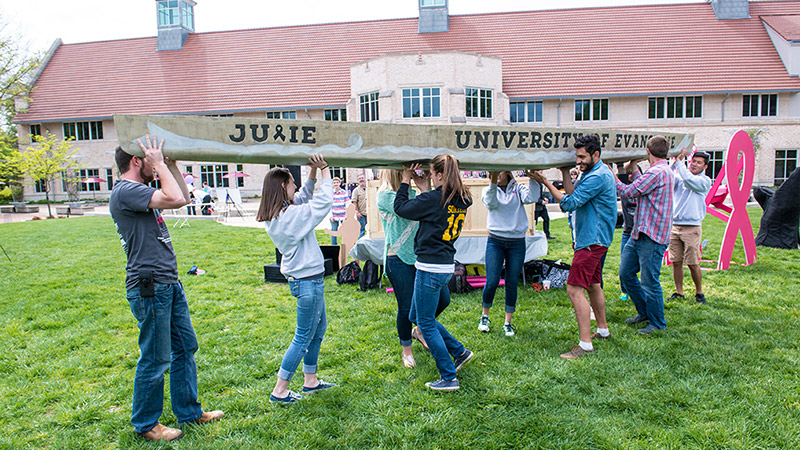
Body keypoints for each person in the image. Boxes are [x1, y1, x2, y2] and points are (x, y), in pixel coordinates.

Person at [109, 136, 223, 442]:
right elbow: (174, 199)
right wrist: (159, 163)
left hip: (168, 283)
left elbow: (183, 196)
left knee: (185, 347)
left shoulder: (139, 191)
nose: (154, 160)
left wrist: (168, 164)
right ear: (136, 160)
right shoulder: (126, 191)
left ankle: (189, 411)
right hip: (150, 286)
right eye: (148, 157)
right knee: (156, 357)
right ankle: (147, 423)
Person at [256, 155, 336, 404]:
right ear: (282, 187)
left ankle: (310, 380)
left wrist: (311, 174)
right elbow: (322, 203)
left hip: (307, 280)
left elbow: (302, 199)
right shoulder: (290, 218)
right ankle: (280, 390)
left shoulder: (279, 214)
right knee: (303, 337)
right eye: (292, 183)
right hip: (307, 282)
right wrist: (324, 170)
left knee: (317, 330)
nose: (296, 188)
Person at [394, 155, 474, 391]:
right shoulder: (462, 197)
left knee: (425, 322)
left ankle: (448, 377)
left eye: (431, 172)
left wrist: (406, 180)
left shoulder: (434, 199)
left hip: (430, 268)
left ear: (439, 174)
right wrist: (426, 188)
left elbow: (401, 208)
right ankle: (459, 352)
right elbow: (437, 209)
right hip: (445, 265)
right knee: (415, 315)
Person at [533, 134, 617, 359]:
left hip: (591, 242)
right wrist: (563, 172)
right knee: (593, 284)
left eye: (582, 157)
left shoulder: (597, 177)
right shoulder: (593, 172)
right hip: (594, 240)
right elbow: (574, 194)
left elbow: (568, 203)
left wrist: (545, 182)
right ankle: (603, 330)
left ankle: (585, 345)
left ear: (595, 155)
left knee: (574, 289)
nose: (578, 161)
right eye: (576, 157)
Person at [377, 169, 451, 368]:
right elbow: (403, 207)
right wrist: (408, 180)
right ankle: (406, 350)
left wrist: (424, 188)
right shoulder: (384, 196)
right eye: (405, 171)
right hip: (398, 257)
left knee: (444, 299)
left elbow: (426, 206)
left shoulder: (415, 195)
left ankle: (419, 329)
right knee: (406, 307)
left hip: (421, 257)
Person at [613, 135, 674, 335]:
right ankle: (644, 312)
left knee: (649, 280)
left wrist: (611, 175)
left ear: (648, 152)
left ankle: (658, 323)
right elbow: (644, 186)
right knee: (626, 273)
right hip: (641, 232)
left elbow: (629, 192)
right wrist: (633, 168)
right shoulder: (661, 171)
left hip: (652, 235)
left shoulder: (657, 172)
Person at [478, 170, 540, 336]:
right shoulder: (488, 189)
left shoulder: (518, 188)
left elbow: (532, 198)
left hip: (516, 242)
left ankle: (508, 322)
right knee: (491, 281)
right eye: (494, 171)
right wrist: (492, 180)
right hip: (495, 241)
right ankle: (485, 316)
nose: (497, 174)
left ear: (508, 172)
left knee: (512, 281)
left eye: (500, 171)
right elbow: (491, 203)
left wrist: (534, 177)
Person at [667, 148, 712, 304]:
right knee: (676, 261)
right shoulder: (681, 177)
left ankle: (699, 293)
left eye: (699, 163)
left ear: (705, 167)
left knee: (692, 262)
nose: (694, 165)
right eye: (693, 161)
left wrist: (679, 163)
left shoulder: (704, 181)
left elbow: (689, 180)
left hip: (691, 227)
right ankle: (679, 292)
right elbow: (668, 175)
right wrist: (674, 161)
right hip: (675, 226)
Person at [617, 159, 643, 301]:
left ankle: (639, 291)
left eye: (633, 172)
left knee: (639, 266)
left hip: (641, 234)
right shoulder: (624, 190)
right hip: (627, 232)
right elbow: (620, 176)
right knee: (624, 265)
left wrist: (633, 163)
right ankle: (624, 290)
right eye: (629, 173)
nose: (631, 175)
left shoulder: (644, 188)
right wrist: (621, 165)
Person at [330, 177, 349, 245]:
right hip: (334, 216)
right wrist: (331, 216)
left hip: (343, 215)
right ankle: (334, 246)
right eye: (334, 183)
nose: (336, 184)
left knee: (345, 232)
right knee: (334, 231)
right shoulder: (330, 193)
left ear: (340, 183)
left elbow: (347, 204)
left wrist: (347, 215)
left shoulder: (344, 193)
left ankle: (345, 245)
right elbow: (329, 206)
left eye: (337, 182)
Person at [351, 173, 368, 238]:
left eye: (362, 178)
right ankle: (359, 245)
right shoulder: (356, 190)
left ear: (365, 179)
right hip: (361, 214)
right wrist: (357, 212)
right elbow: (354, 202)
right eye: (359, 179)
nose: (361, 180)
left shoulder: (369, 188)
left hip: (370, 214)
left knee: (372, 231)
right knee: (361, 231)